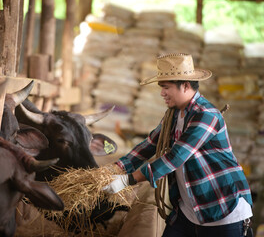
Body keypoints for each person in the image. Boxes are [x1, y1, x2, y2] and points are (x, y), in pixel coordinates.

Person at [102, 53, 253, 237]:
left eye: (166, 87)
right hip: (190, 211)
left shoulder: (206, 114)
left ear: (186, 86)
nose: (162, 93)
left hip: (221, 206)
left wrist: (128, 180)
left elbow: (176, 157)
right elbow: (150, 144)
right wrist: (115, 169)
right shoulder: (173, 115)